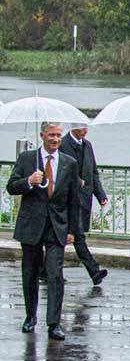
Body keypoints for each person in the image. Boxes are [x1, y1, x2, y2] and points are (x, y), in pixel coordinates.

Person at [7, 122, 82, 340]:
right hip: (31, 225)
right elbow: (11, 186)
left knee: (55, 274)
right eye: (51, 135)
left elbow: (73, 200)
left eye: (59, 135)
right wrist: (28, 181)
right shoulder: (28, 159)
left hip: (57, 227)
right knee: (30, 272)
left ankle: (54, 324)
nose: (56, 139)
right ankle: (30, 317)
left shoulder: (70, 163)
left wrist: (73, 230)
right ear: (42, 136)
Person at [59, 126, 109, 286]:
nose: (85, 130)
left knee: (68, 236)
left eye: (86, 127)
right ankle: (94, 271)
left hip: (82, 199)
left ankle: (46, 270)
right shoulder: (62, 144)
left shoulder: (87, 146)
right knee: (77, 235)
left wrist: (100, 194)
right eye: (81, 127)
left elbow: (93, 172)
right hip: (65, 200)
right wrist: (76, 181)